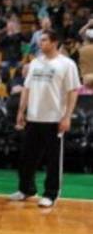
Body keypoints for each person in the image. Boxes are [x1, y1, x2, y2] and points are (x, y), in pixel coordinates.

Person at [10, 30, 81, 208]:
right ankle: (26, 189)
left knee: (53, 160)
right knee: (27, 157)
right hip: (33, 117)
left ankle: (50, 194)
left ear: (55, 42)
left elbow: (73, 91)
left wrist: (67, 116)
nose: (40, 43)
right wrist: (21, 111)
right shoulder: (35, 62)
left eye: (44, 40)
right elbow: (26, 88)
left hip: (54, 118)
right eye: (40, 40)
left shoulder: (67, 64)